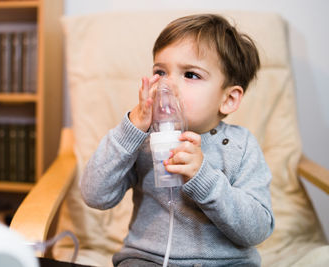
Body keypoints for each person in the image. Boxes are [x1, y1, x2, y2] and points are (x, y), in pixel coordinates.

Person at [80, 14, 274, 267]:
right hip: (147, 259)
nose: (167, 85)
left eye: (191, 75)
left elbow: (257, 229)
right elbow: (96, 195)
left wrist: (205, 179)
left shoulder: (241, 146)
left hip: (227, 262)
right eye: (160, 72)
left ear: (228, 99)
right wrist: (130, 130)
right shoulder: (141, 141)